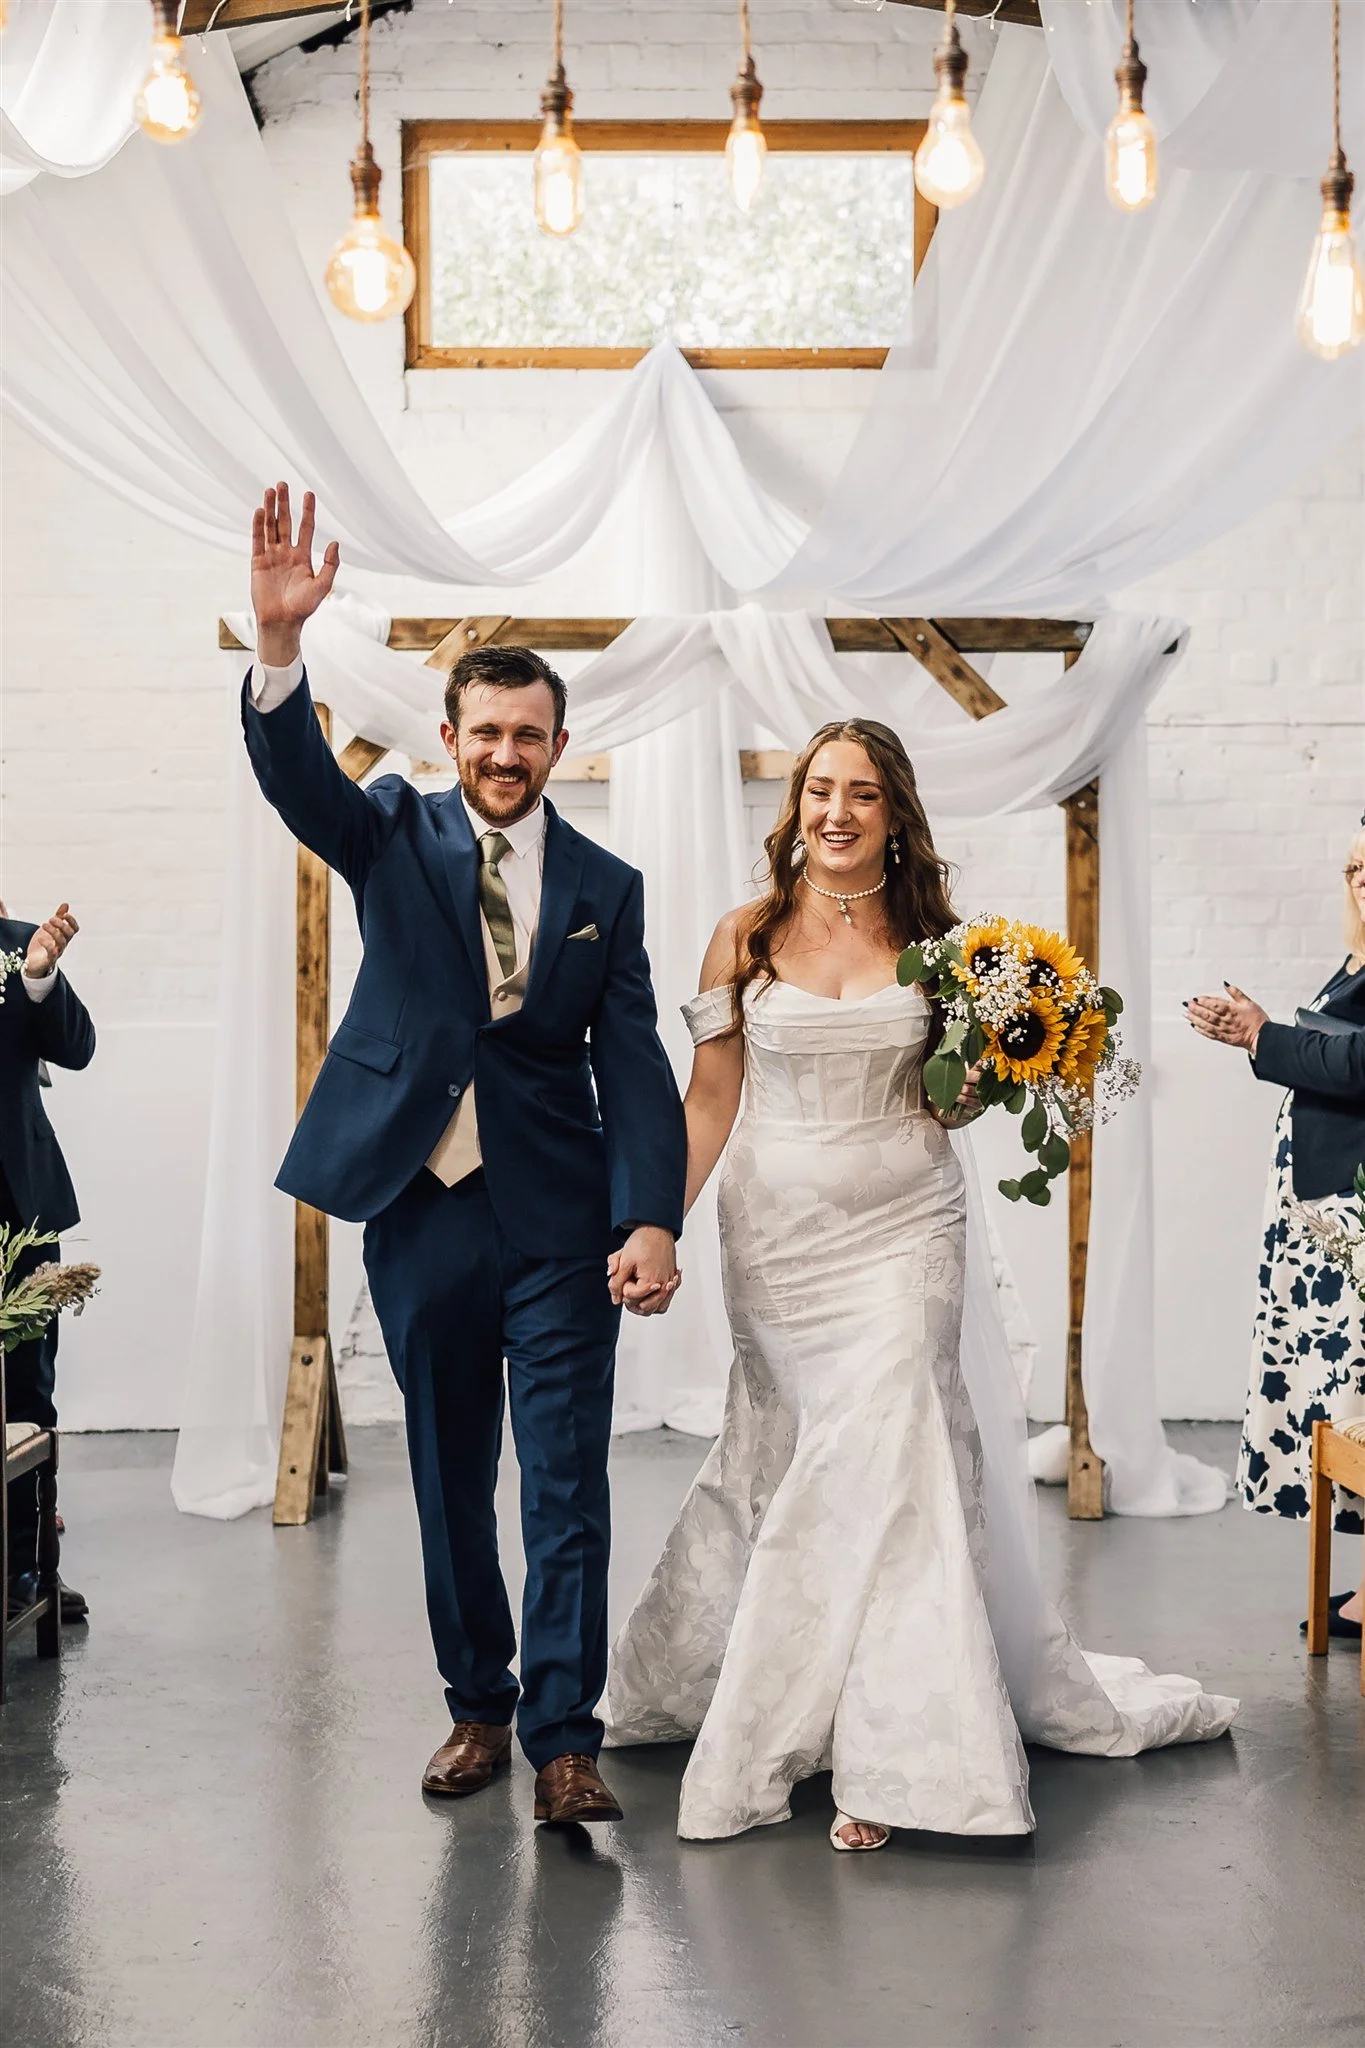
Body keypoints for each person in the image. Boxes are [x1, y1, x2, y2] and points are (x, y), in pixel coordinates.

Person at [605, 719, 1237, 1850]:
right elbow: (709, 1096)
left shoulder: (946, 945)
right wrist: (657, 1222)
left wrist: (1001, 1060)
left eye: (861, 793)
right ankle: (794, 1694)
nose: (835, 811)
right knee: (797, 1452)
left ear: (895, 814)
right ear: (796, 806)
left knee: (897, 1445)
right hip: (778, 1239)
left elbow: (949, 1104)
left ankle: (891, 1752)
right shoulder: (743, 936)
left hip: (907, 1230)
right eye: (819, 790)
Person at [244, 486, 686, 1824]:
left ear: (559, 743)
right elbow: (301, 784)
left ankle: (565, 1740)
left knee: (565, 1485)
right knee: (447, 1477)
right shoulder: (393, 828)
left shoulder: (607, 888)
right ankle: (478, 1709)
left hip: (559, 1219)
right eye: (485, 732)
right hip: (421, 1203)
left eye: (527, 733)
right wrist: (280, 648)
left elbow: (635, 1062)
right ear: (451, 739)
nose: (505, 752)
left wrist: (651, 1215)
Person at [1186, 824, 1365, 1642]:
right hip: (1329, 1213)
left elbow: (1358, 1067)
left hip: (1353, 1220)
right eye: (1353, 865)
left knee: (1356, 1393)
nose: (1360, 878)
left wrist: (1261, 1034)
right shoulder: (1355, 963)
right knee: (1341, 1396)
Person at [1, 898, 94, 1622]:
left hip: (19, 1212)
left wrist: (39, 978)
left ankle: (28, 1570)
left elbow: (78, 1047)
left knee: (28, 1391)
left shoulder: (21, 945)